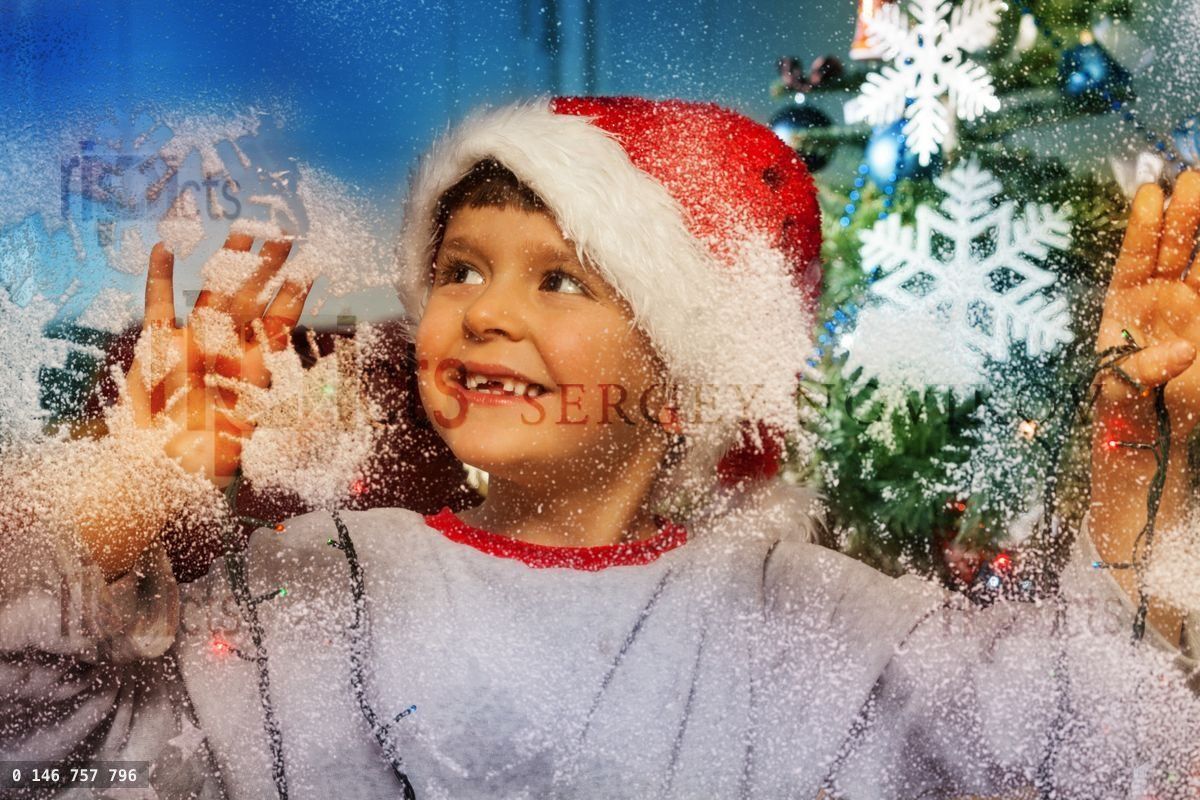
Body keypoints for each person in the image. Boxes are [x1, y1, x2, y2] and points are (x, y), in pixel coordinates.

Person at [2, 96, 1199, 799]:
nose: (482, 310)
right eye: (460, 267)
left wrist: (1129, 474)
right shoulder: (308, 590)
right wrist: (117, 496)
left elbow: (1112, 758)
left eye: (562, 277)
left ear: (686, 379)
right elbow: (44, 750)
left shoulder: (809, 624)